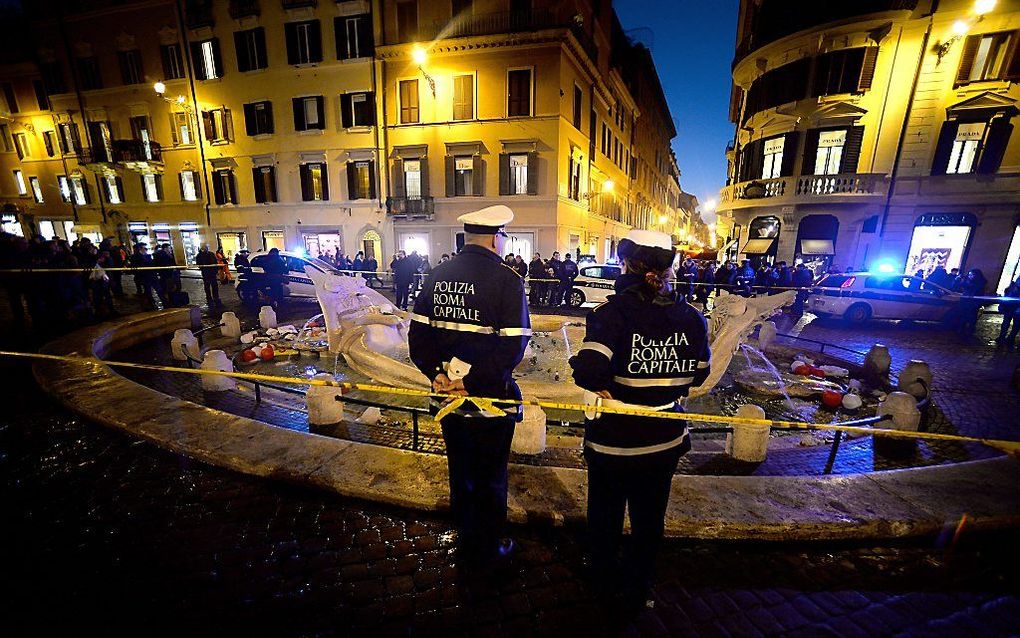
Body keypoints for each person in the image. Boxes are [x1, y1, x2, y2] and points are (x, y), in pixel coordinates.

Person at [569, 229, 711, 606]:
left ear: (626, 264)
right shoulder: (694, 319)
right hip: (665, 439)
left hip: (614, 439)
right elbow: (699, 374)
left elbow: (590, 371)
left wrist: (584, 368)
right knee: (650, 518)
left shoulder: (610, 315)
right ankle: (639, 584)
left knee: (605, 513)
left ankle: (602, 579)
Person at [408, 205, 530, 566]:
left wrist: (437, 375)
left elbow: (417, 336)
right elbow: (513, 346)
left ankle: (466, 536)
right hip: (491, 400)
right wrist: (471, 381)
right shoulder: (508, 279)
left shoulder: (437, 275)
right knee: (491, 472)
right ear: (496, 237)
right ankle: (489, 547)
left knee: (460, 468)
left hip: (446, 398)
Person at [996, 277, 1020, 346]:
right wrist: (1002, 305)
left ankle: (1009, 338)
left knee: (1015, 324)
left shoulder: (1011, 287)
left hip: (1013, 308)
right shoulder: (1011, 287)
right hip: (1010, 308)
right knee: (1008, 323)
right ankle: (1005, 337)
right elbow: (1006, 297)